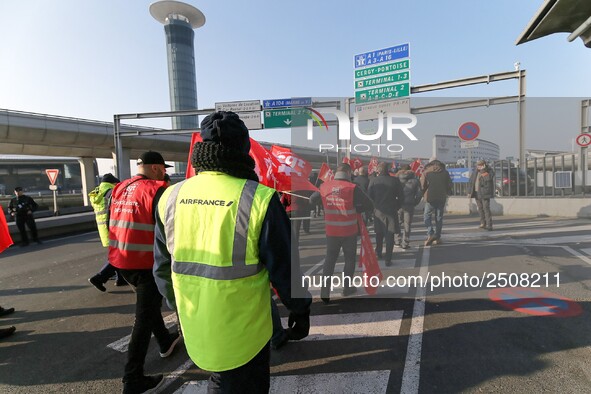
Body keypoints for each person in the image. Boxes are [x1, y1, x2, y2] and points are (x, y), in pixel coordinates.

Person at [153, 111, 312, 393]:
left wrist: (177, 306)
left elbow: (162, 265)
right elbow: (285, 268)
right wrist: (300, 311)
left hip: (196, 323)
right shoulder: (258, 197)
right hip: (245, 333)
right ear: (244, 148)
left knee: (219, 380)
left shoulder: (170, 196)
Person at [108, 151, 181, 394]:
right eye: (162, 168)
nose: (164, 172)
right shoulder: (156, 189)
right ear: (155, 168)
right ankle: (133, 379)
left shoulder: (119, 187)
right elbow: (168, 228)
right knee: (143, 318)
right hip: (146, 262)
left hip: (121, 260)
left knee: (148, 307)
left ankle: (165, 341)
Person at [314, 163, 373, 303]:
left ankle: (324, 291)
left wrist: (324, 202)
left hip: (331, 231)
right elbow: (370, 204)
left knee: (329, 260)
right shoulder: (353, 188)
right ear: (348, 172)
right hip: (349, 231)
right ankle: (347, 288)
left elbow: (312, 199)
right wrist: (357, 208)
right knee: (349, 259)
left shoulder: (324, 187)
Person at [88, 173, 128, 291]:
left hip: (103, 228)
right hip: (113, 226)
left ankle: (120, 279)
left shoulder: (96, 192)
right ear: (113, 183)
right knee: (118, 255)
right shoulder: (111, 191)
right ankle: (99, 277)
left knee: (117, 253)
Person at [367, 162, 403, 265]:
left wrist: (373, 208)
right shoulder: (395, 181)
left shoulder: (373, 181)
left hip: (378, 211)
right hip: (391, 210)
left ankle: (378, 252)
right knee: (390, 235)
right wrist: (396, 207)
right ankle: (388, 258)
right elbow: (401, 197)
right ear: (388, 170)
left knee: (379, 233)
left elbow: (369, 196)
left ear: (378, 171)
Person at [420, 158, 453, 246]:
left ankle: (430, 234)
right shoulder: (445, 172)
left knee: (427, 216)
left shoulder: (426, 172)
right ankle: (437, 237)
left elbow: (422, 185)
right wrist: (446, 192)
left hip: (430, 197)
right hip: (441, 197)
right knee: (439, 217)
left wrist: (423, 193)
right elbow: (450, 184)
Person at [396, 164, 423, 249]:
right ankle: (405, 243)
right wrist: (415, 202)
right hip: (409, 204)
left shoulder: (396, 179)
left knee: (397, 223)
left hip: (398, 204)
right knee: (407, 224)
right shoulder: (415, 180)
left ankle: (397, 240)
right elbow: (419, 194)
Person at [468, 160, 495, 231]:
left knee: (486, 209)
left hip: (485, 193)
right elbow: (471, 181)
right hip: (476, 192)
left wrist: (483, 170)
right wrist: (469, 192)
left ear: (484, 165)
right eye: (477, 165)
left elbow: (488, 178)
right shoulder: (475, 171)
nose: (478, 166)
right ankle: (483, 223)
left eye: (480, 165)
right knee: (480, 209)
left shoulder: (489, 171)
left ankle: (489, 225)